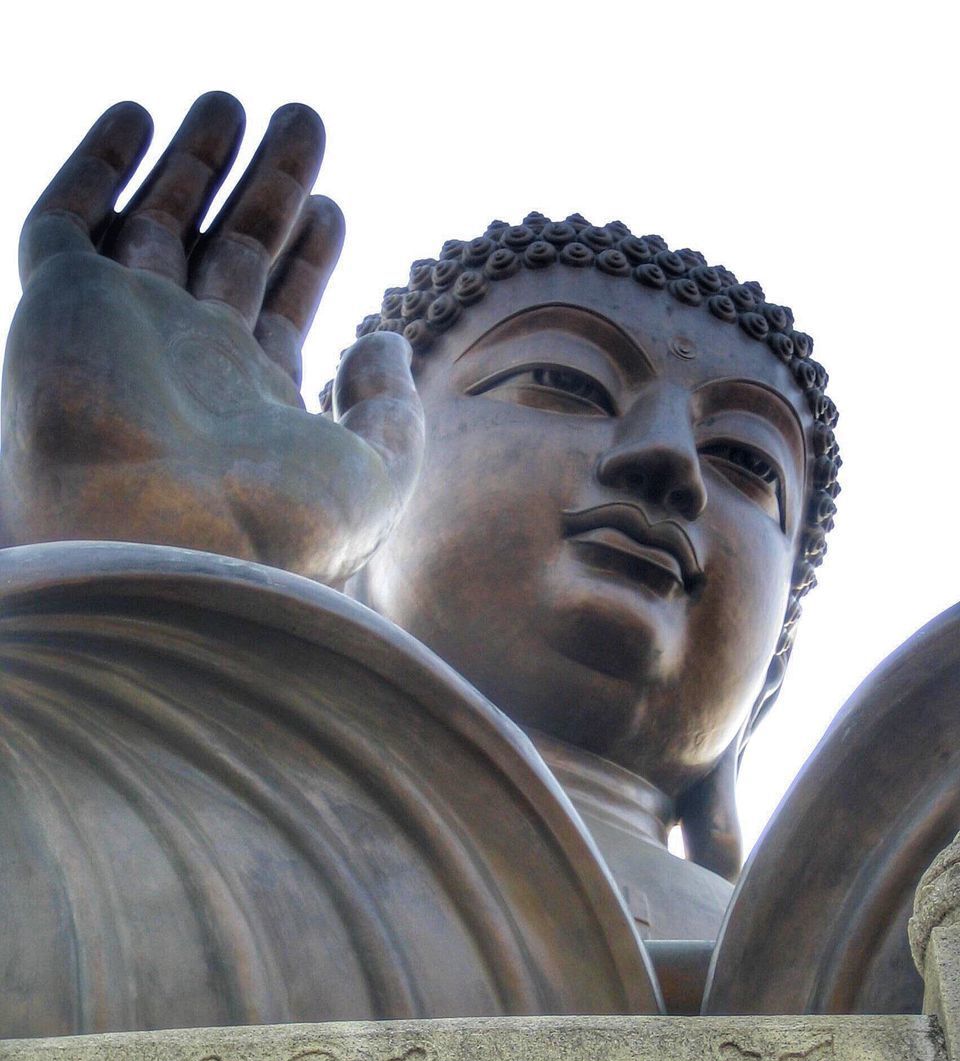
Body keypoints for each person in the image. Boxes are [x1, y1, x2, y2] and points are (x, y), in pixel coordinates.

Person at [0, 92, 840, 952]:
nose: (667, 460)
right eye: (567, 381)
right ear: (366, 507)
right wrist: (136, 598)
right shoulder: (194, 839)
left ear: (775, 668)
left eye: (748, 461)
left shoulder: (871, 955)